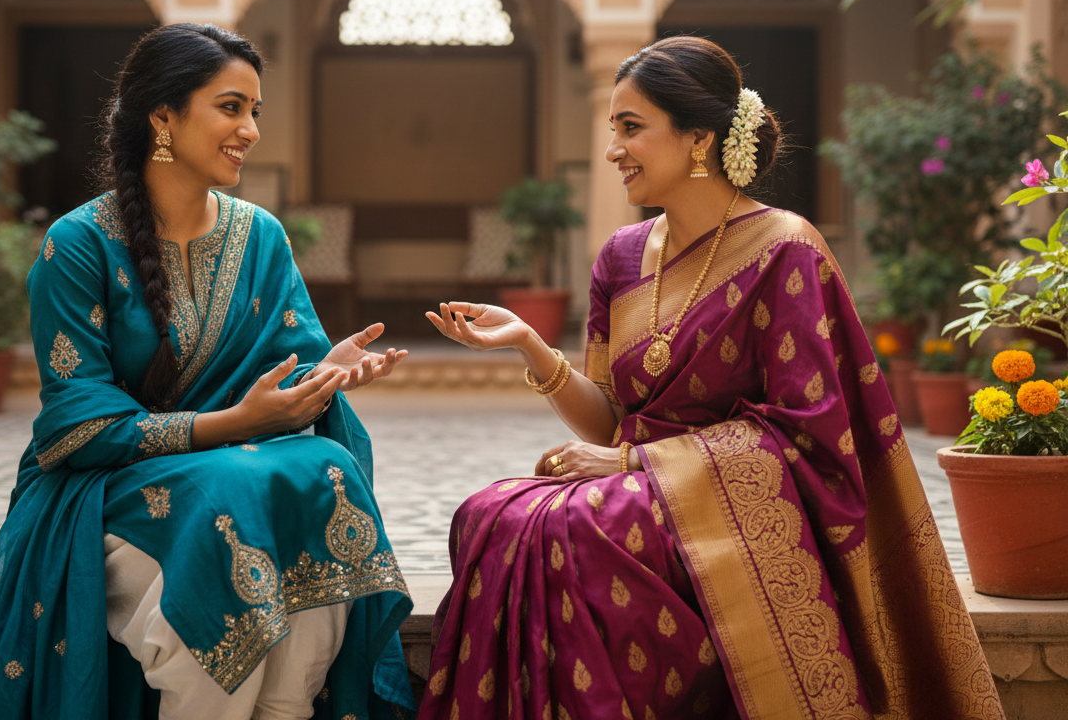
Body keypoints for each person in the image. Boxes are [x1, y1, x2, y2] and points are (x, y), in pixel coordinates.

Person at [418, 36, 1002, 719]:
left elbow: (807, 437)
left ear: (698, 138)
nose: (613, 151)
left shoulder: (785, 249)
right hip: (635, 486)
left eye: (631, 129)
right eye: (614, 130)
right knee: (491, 512)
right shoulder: (622, 257)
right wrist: (529, 345)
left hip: (732, 511)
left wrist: (634, 461)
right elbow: (609, 415)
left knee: (575, 528)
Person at [0, 23, 417, 720]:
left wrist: (322, 376)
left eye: (256, 111)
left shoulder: (260, 235)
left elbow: (288, 360)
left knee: (320, 469)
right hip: (104, 492)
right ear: (162, 116)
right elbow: (78, 425)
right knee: (228, 499)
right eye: (231, 107)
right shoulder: (78, 245)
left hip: (235, 478)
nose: (250, 130)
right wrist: (233, 424)